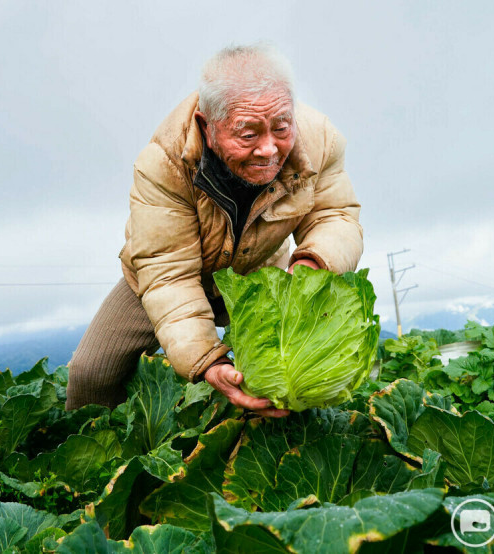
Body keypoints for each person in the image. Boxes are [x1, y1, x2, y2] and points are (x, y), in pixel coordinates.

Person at [65, 44, 363, 417]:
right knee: (92, 373)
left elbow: (335, 215)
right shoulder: (163, 165)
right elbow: (169, 272)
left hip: (264, 276)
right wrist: (206, 361)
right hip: (168, 276)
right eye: (248, 134)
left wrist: (312, 266)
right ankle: (98, 464)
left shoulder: (320, 142)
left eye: (281, 127)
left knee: (277, 386)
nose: (269, 149)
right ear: (209, 127)